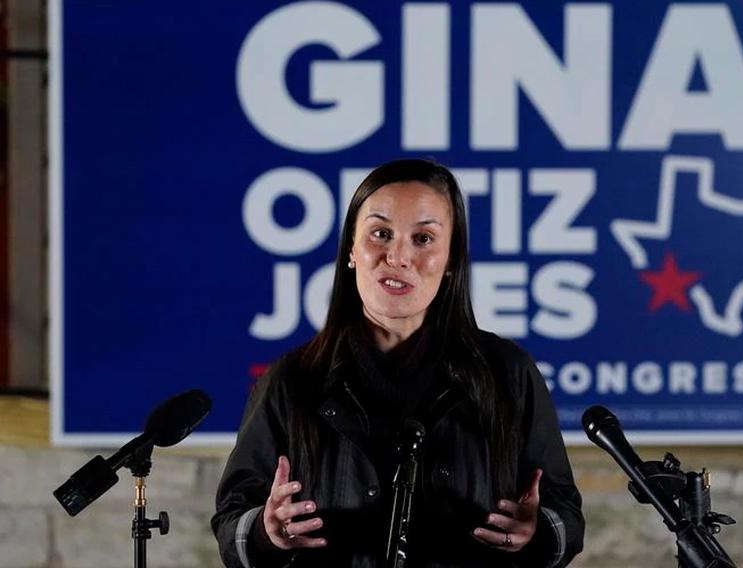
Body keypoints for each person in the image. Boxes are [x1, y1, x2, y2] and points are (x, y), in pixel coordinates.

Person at [212, 159, 584, 567]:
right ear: (352, 250)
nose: (399, 256)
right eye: (381, 234)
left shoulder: (508, 374)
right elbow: (233, 522)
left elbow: (564, 515)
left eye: (424, 239)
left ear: (452, 261)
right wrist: (268, 533)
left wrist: (537, 533)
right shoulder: (291, 380)